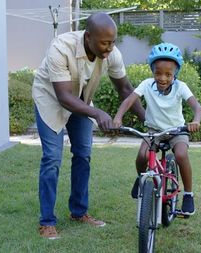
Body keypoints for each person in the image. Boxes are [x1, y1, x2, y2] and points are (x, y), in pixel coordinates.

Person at [32, 12, 145, 239]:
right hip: (51, 99)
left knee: (83, 154)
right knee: (53, 158)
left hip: (81, 103)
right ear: (88, 37)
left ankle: (79, 212)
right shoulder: (60, 48)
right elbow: (63, 97)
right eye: (104, 43)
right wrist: (97, 113)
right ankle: (47, 222)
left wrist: (149, 120)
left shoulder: (112, 53)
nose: (109, 48)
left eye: (113, 42)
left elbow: (125, 90)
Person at [113, 43, 201, 216]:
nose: (163, 78)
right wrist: (118, 117)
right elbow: (129, 100)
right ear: (152, 71)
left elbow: (197, 107)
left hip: (177, 130)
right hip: (154, 131)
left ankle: (189, 194)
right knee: (141, 156)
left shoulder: (181, 87)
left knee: (181, 155)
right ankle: (141, 178)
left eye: (168, 74)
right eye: (158, 73)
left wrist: (196, 120)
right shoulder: (147, 84)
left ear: (175, 73)